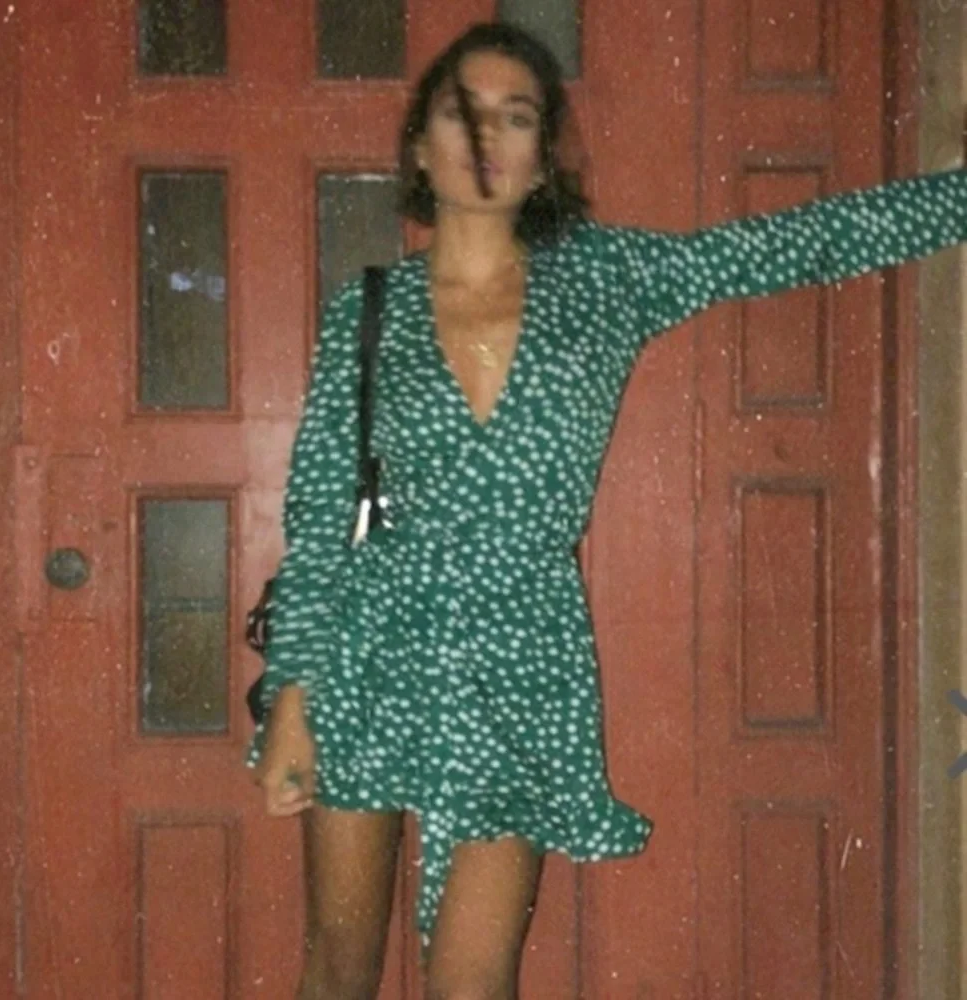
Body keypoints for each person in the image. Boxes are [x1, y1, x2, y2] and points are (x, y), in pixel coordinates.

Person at [246, 20, 967, 1000]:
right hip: (369, 645)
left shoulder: (605, 278)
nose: (487, 137)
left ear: (544, 156)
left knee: (472, 982)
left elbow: (789, 246)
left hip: (522, 652)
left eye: (516, 117)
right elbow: (319, 516)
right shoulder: (369, 308)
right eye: (462, 113)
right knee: (338, 970)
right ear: (418, 146)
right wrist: (292, 700)